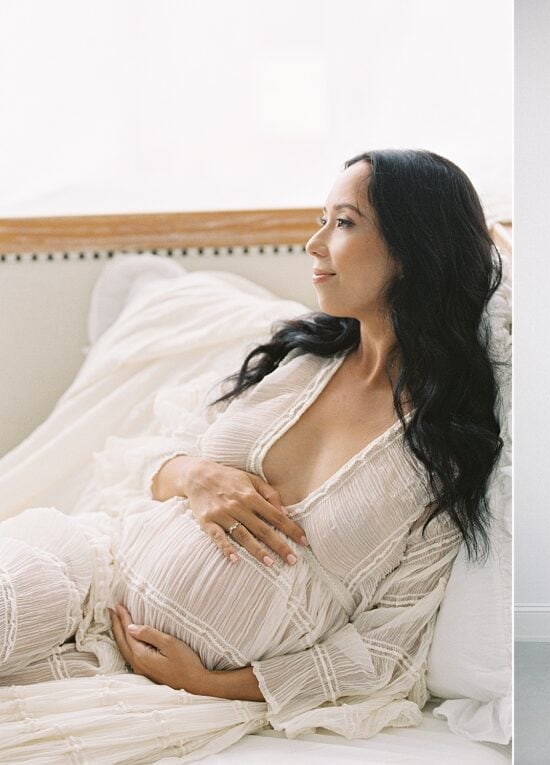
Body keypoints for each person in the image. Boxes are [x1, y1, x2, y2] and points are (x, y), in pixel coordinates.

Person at [0, 149, 505, 751]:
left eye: (343, 223)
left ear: (416, 246)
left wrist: (214, 683)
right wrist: (196, 476)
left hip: (161, 683)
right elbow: (142, 457)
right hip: (94, 576)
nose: (315, 244)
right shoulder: (298, 360)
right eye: (322, 219)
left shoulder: (446, 450)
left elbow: (385, 649)